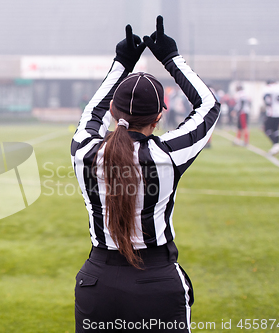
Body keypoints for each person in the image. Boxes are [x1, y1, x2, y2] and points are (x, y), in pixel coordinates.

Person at [71, 16, 220, 332]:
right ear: (158, 117)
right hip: (156, 282)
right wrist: (171, 58)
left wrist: (121, 63)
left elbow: (92, 113)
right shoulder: (166, 154)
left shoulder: (83, 151)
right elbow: (208, 106)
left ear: (114, 111)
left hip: (97, 282)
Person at [263, 79, 279, 155]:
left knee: (267, 129)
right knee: (276, 129)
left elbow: (266, 98)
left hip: (272, 112)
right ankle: (276, 145)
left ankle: (276, 145)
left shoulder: (269, 88)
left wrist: (268, 106)